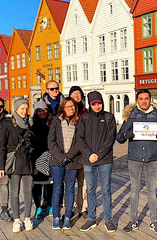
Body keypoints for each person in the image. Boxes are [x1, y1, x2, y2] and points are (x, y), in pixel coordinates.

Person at [117, 89, 157, 235]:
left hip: (152, 159)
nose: (144, 101)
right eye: (141, 99)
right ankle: (133, 220)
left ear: (150, 100)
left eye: (146, 98)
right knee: (134, 190)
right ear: (137, 100)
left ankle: (154, 221)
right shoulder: (131, 116)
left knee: (151, 191)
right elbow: (119, 138)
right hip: (134, 159)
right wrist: (125, 135)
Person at [76, 91, 117, 233]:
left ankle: (108, 219)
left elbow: (110, 139)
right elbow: (79, 139)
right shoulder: (84, 118)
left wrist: (98, 154)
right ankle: (91, 218)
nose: (97, 106)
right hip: (89, 160)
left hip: (105, 159)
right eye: (94, 104)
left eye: (99, 103)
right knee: (91, 189)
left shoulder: (108, 117)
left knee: (106, 189)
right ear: (90, 104)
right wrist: (89, 154)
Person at [0, 99, 35, 233]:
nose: (25, 112)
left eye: (26, 109)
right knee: (14, 192)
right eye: (22, 109)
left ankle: (28, 218)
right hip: (14, 162)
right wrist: (0, 167)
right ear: (16, 109)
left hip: (28, 161)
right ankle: (17, 219)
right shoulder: (8, 123)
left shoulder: (30, 123)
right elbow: (1, 147)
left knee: (28, 191)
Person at [47, 97, 82, 230]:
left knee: (70, 188)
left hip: (72, 161)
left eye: (72, 106)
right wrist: (61, 156)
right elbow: (51, 141)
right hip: (57, 161)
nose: (70, 109)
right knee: (57, 189)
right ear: (63, 108)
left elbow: (80, 142)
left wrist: (69, 156)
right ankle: (56, 216)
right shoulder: (56, 121)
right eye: (67, 107)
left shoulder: (78, 122)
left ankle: (67, 216)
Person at [31, 100, 53, 220]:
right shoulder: (33, 124)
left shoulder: (52, 123)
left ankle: (49, 205)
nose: (42, 112)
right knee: (37, 185)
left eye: (44, 110)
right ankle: (38, 207)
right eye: (39, 110)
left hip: (50, 156)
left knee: (50, 184)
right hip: (37, 157)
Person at [69, 85, 88, 218]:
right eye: (74, 93)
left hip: (83, 152)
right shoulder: (65, 112)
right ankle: (69, 206)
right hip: (69, 152)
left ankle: (83, 206)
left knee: (83, 182)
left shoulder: (85, 112)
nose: (77, 95)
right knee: (69, 183)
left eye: (79, 93)